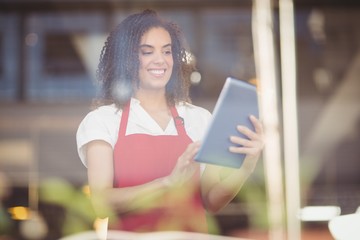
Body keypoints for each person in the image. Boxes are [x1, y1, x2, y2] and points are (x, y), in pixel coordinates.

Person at [76, 9, 263, 233]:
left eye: (167, 51)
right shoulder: (103, 121)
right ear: (127, 58)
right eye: (147, 52)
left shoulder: (199, 119)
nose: (160, 60)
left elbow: (211, 201)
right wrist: (168, 183)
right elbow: (100, 204)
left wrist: (246, 167)